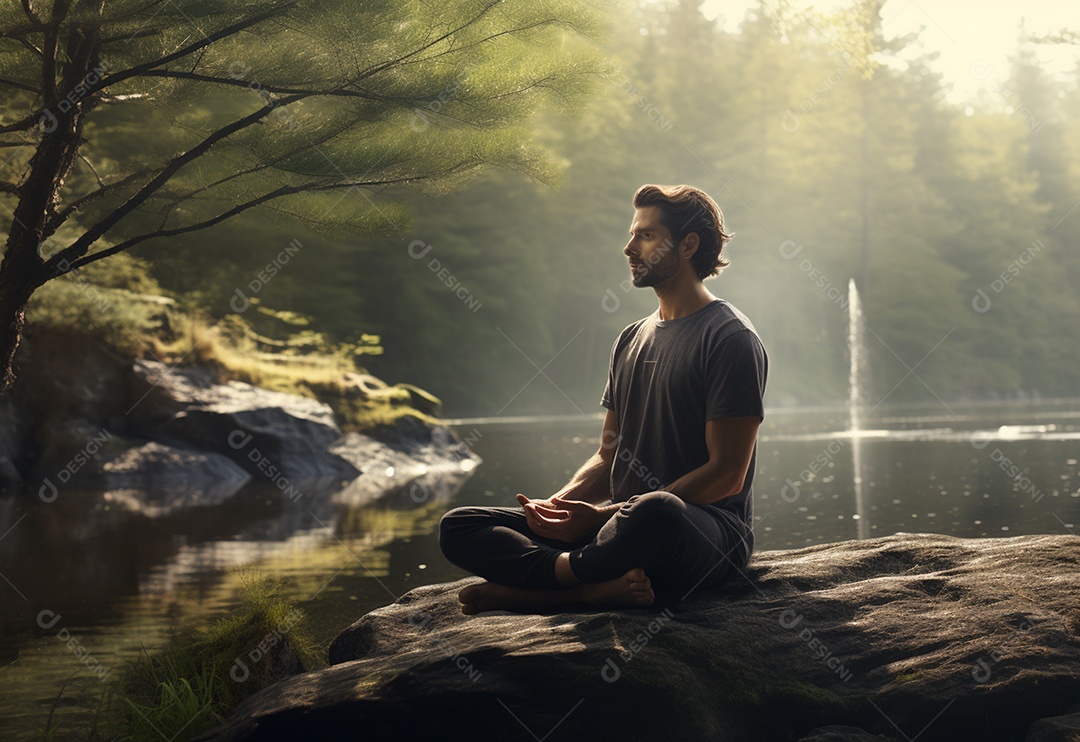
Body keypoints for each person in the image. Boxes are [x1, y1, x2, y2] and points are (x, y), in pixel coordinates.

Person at [439, 183, 767, 613]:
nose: (629, 247)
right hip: (615, 527)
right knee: (460, 526)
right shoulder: (631, 338)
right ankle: (584, 583)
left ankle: (557, 589)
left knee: (658, 510)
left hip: (700, 532)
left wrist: (602, 517)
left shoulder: (729, 338)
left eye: (646, 235)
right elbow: (608, 455)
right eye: (633, 234)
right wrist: (556, 509)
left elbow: (726, 475)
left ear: (688, 245)